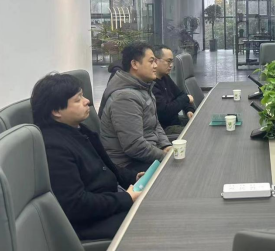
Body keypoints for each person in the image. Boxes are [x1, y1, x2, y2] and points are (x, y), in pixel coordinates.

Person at [30, 73, 142, 241]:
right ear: (56, 111)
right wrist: (125, 198)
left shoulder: (79, 130)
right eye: (78, 99)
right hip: (90, 223)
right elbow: (76, 204)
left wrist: (134, 177)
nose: (87, 101)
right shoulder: (53, 148)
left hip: (108, 202)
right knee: (152, 219)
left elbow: (107, 167)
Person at [100, 42, 172, 172]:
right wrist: (165, 157)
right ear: (134, 64)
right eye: (151, 61)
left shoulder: (143, 87)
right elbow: (134, 146)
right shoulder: (125, 97)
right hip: (129, 165)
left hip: (147, 155)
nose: (155, 66)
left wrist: (166, 145)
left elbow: (155, 124)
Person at [152, 45, 195, 135]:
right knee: (196, 132)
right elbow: (166, 112)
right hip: (165, 129)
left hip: (176, 121)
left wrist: (189, 110)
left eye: (172, 61)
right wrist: (186, 98)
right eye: (168, 61)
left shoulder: (165, 77)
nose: (171, 65)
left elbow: (180, 94)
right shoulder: (151, 84)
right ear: (156, 61)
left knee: (201, 122)